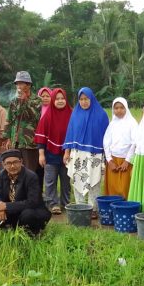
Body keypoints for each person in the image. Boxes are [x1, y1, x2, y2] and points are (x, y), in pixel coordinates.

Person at [63, 87, 109, 219]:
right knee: (78, 178)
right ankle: (80, 206)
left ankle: (93, 208)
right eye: (81, 99)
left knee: (94, 181)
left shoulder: (101, 115)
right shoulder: (75, 114)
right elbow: (70, 134)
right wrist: (67, 152)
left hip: (95, 155)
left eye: (86, 99)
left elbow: (106, 138)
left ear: (91, 99)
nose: (83, 102)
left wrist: (105, 157)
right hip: (78, 154)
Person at [0, 149, 52, 236]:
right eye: (8, 163)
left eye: (15, 162)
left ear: (21, 161)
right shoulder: (3, 174)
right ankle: (8, 231)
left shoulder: (31, 176)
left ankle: (32, 234)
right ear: (3, 164)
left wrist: (6, 206)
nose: (12, 166)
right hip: (14, 210)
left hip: (33, 210)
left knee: (28, 215)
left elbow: (32, 202)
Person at [35, 87, 72, 214]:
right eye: (57, 99)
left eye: (62, 99)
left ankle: (66, 203)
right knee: (50, 181)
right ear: (53, 100)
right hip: (50, 154)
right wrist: (41, 155)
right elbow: (40, 137)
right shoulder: (47, 115)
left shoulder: (71, 114)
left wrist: (68, 151)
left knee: (66, 181)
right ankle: (53, 204)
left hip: (68, 154)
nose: (60, 101)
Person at [3, 71, 43, 188]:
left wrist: (25, 101)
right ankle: (17, 196)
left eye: (22, 83)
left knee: (30, 171)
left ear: (29, 85)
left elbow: (35, 117)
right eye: (17, 84)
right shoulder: (14, 101)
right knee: (15, 170)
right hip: (16, 142)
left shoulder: (37, 100)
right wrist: (8, 138)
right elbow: (9, 120)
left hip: (30, 142)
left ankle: (32, 197)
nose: (19, 87)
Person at [103, 97, 138, 199]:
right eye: (116, 108)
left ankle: (125, 212)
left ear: (126, 108)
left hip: (126, 161)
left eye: (121, 108)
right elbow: (106, 142)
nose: (119, 110)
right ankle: (112, 211)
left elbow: (134, 143)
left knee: (125, 188)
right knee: (112, 188)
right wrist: (109, 160)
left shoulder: (132, 123)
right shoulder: (112, 124)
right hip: (113, 160)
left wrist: (127, 161)